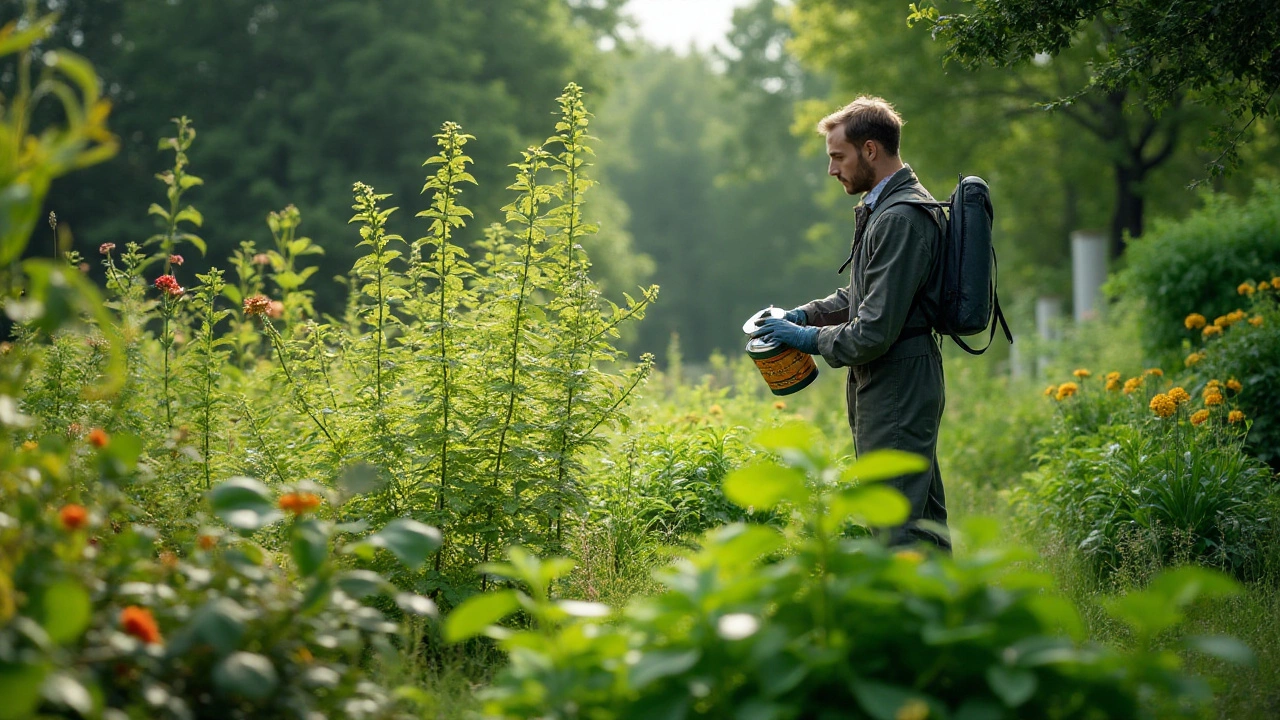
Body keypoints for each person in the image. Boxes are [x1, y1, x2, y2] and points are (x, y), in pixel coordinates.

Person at [751, 96, 950, 551]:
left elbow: (873, 331)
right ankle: (949, 616)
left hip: (898, 379)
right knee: (920, 522)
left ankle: (912, 617)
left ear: (871, 150)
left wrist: (805, 338)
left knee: (896, 525)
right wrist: (803, 314)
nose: (832, 169)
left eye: (838, 156)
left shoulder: (900, 217)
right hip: (891, 378)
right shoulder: (885, 209)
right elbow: (862, 296)